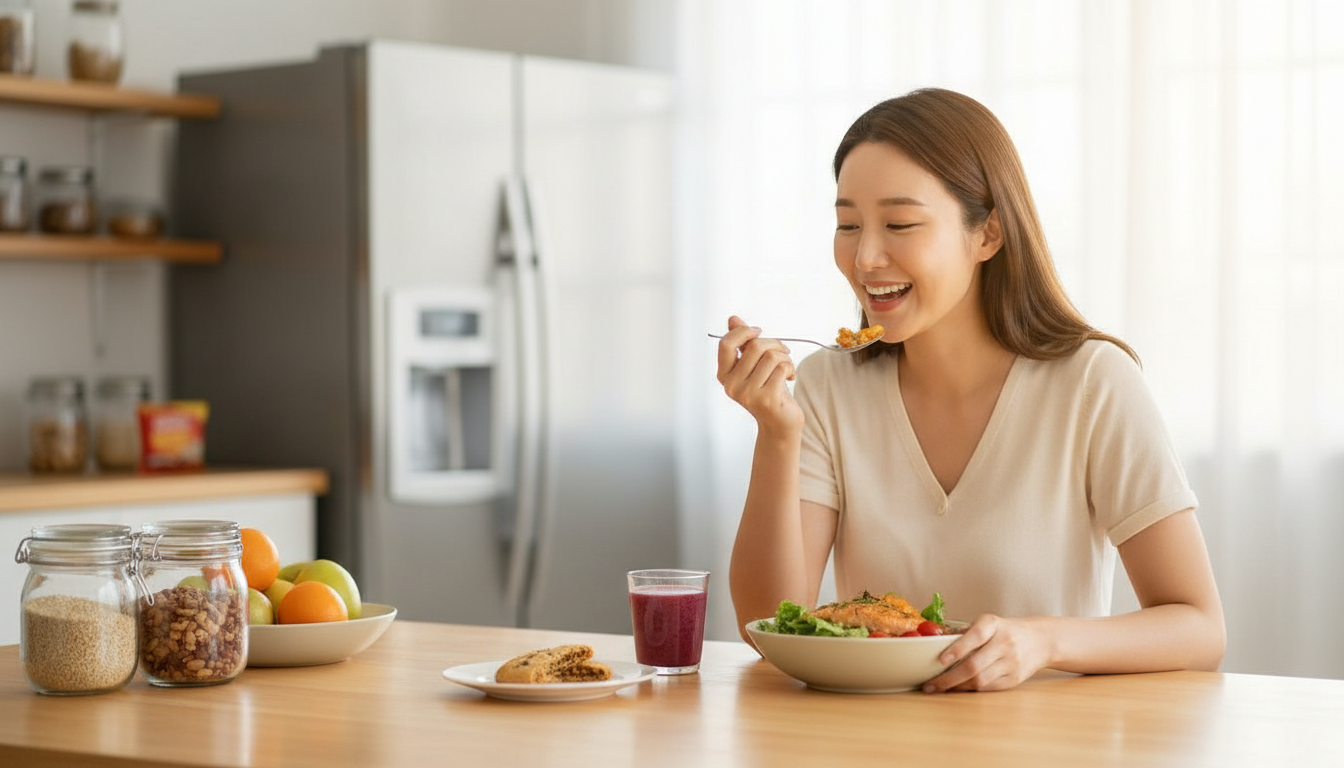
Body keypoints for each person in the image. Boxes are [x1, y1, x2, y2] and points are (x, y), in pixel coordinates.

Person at [713, 88, 1225, 693]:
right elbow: (767, 629)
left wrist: (1044, 640)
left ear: (988, 236)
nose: (866, 256)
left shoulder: (1093, 382)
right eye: (848, 224)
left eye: (900, 223)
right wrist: (777, 434)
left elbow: (1199, 630)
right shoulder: (829, 387)